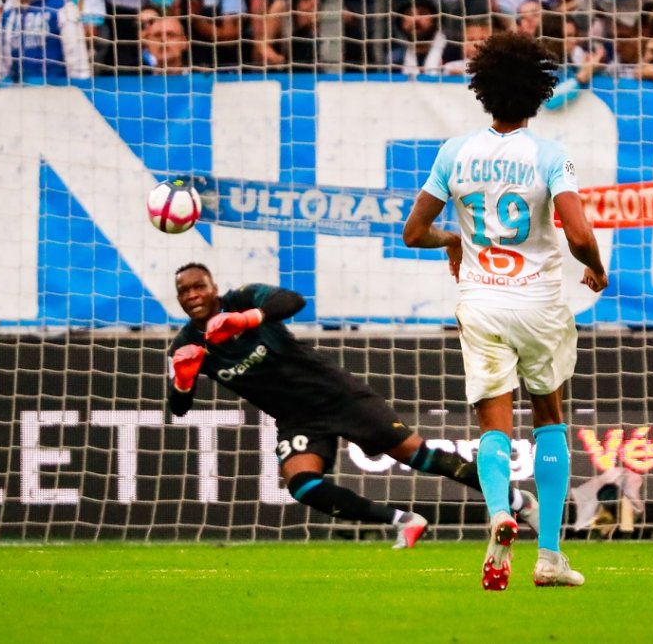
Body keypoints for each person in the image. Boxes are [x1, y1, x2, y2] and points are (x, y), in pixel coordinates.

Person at [402, 31, 608, 589]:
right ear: (539, 94)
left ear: (482, 89)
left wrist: (453, 240)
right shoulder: (549, 156)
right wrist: (597, 268)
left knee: (493, 424)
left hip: (482, 303)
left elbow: (412, 232)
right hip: (539, 304)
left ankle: (498, 512)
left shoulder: (455, 152)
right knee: (549, 419)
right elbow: (581, 234)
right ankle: (549, 557)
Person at [168, 262, 539, 550]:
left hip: (337, 394)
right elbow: (179, 408)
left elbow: (292, 301)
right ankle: (404, 520)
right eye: (184, 291)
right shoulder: (188, 344)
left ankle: (516, 499)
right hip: (298, 419)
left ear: (213, 288)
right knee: (301, 484)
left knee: (416, 454)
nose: (192, 294)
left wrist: (247, 319)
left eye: (199, 285)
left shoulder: (242, 299)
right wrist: (183, 377)